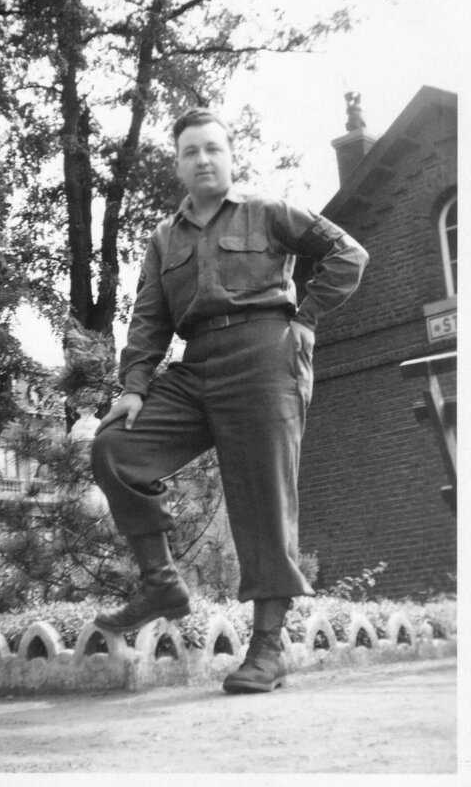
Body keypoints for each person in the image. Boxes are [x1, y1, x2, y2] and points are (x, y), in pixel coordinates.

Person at [91, 107, 369, 694]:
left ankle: (267, 650)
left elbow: (348, 253)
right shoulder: (165, 237)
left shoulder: (269, 211)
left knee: (264, 502)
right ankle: (161, 583)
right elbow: (148, 321)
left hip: (265, 358)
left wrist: (309, 318)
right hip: (196, 367)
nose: (203, 160)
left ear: (230, 155)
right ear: (178, 165)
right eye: (191, 152)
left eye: (213, 149)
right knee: (116, 446)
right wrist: (135, 388)